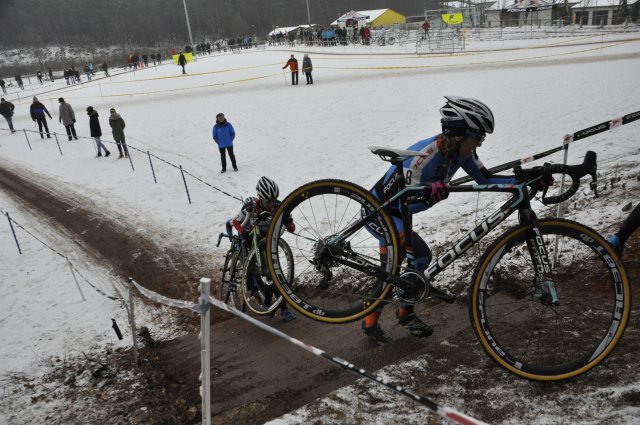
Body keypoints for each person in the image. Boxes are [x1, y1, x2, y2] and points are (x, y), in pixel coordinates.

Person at [361, 96, 553, 344]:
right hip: (380, 211)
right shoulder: (426, 154)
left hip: (401, 214)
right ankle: (371, 322)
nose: (480, 144)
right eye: (478, 137)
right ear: (459, 133)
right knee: (396, 264)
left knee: (417, 260)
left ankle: (404, 312)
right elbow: (404, 192)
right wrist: (427, 189)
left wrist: (524, 179)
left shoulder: (461, 153)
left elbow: (486, 179)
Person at [230, 177, 297, 322]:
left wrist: (290, 224)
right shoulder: (251, 206)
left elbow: (291, 226)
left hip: (268, 244)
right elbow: (235, 221)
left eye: (274, 201)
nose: (271, 204)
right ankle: (264, 300)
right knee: (258, 275)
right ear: (260, 198)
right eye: (268, 202)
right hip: (250, 242)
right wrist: (242, 230)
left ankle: (273, 306)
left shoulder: (278, 206)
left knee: (272, 276)